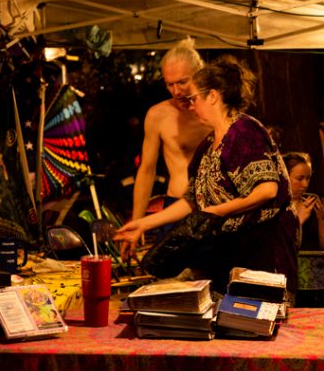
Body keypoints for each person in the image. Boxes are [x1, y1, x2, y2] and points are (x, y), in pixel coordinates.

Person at [115, 55, 298, 292]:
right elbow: (193, 201)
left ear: (213, 96)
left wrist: (214, 212)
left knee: (257, 319)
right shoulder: (209, 144)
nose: (190, 107)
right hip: (233, 249)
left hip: (263, 251)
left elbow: (267, 189)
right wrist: (142, 224)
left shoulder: (244, 131)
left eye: (194, 99)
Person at [126, 38, 211, 257]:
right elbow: (146, 170)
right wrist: (137, 221)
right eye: (169, 84)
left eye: (182, 82)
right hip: (176, 208)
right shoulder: (158, 115)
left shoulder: (215, 110)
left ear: (200, 74)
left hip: (213, 209)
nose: (176, 91)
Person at [283, 151, 324, 253]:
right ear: (285, 177)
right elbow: (279, 248)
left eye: (308, 178)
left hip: (312, 263)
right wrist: (298, 220)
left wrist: (322, 220)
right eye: (300, 178)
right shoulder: (274, 207)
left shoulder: (311, 204)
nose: (305, 184)